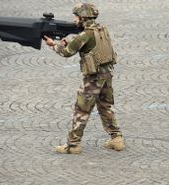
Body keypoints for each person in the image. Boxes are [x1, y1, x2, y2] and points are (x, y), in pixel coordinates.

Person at [45, 3, 125, 154]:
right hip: (107, 74)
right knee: (105, 106)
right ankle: (117, 139)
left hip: (93, 78)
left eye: (76, 17)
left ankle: (73, 145)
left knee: (81, 110)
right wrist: (67, 41)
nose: (74, 20)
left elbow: (67, 52)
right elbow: (86, 44)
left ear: (82, 18)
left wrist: (52, 45)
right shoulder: (102, 29)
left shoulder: (85, 35)